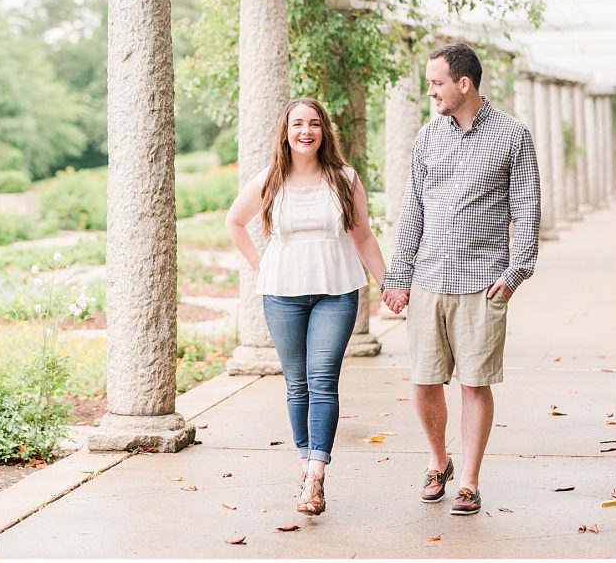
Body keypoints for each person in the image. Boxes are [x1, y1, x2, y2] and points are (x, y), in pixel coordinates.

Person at [382, 42, 540, 516]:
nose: (431, 92)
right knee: (424, 381)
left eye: (436, 83)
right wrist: (399, 274)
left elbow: (527, 210)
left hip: (481, 283)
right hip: (429, 278)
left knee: (475, 384)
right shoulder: (428, 137)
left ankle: (469, 480)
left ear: (463, 84)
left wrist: (516, 273)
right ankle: (439, 463)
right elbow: (414, 210)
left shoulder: (512, 136)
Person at [225, 96, 395, 516]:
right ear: (285, 132)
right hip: (282, 293)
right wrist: (260, 266)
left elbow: (363, 237)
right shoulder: (269, 180)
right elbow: (234, 221)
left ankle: (316, 472)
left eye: (314, 123)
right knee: (296, 383)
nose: (306, 131)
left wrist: (388, 283)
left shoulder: (344, 178)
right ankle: (305, 461)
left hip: (336, 292)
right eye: (298, 123)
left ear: (324, 131)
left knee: (322, 380)